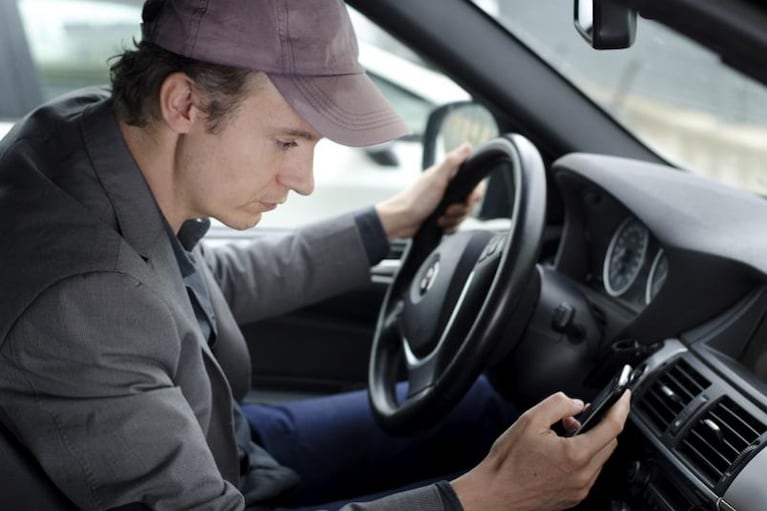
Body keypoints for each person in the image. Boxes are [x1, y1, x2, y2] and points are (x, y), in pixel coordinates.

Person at [0, 0, 631, 510]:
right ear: (184, 103)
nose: (304, 179)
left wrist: (389, 223)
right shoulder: (82, 302)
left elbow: (201, 278)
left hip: (234, 444)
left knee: (492, 409)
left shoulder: (92, 135)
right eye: (287, 141)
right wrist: (482, 500)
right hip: (223, 482)